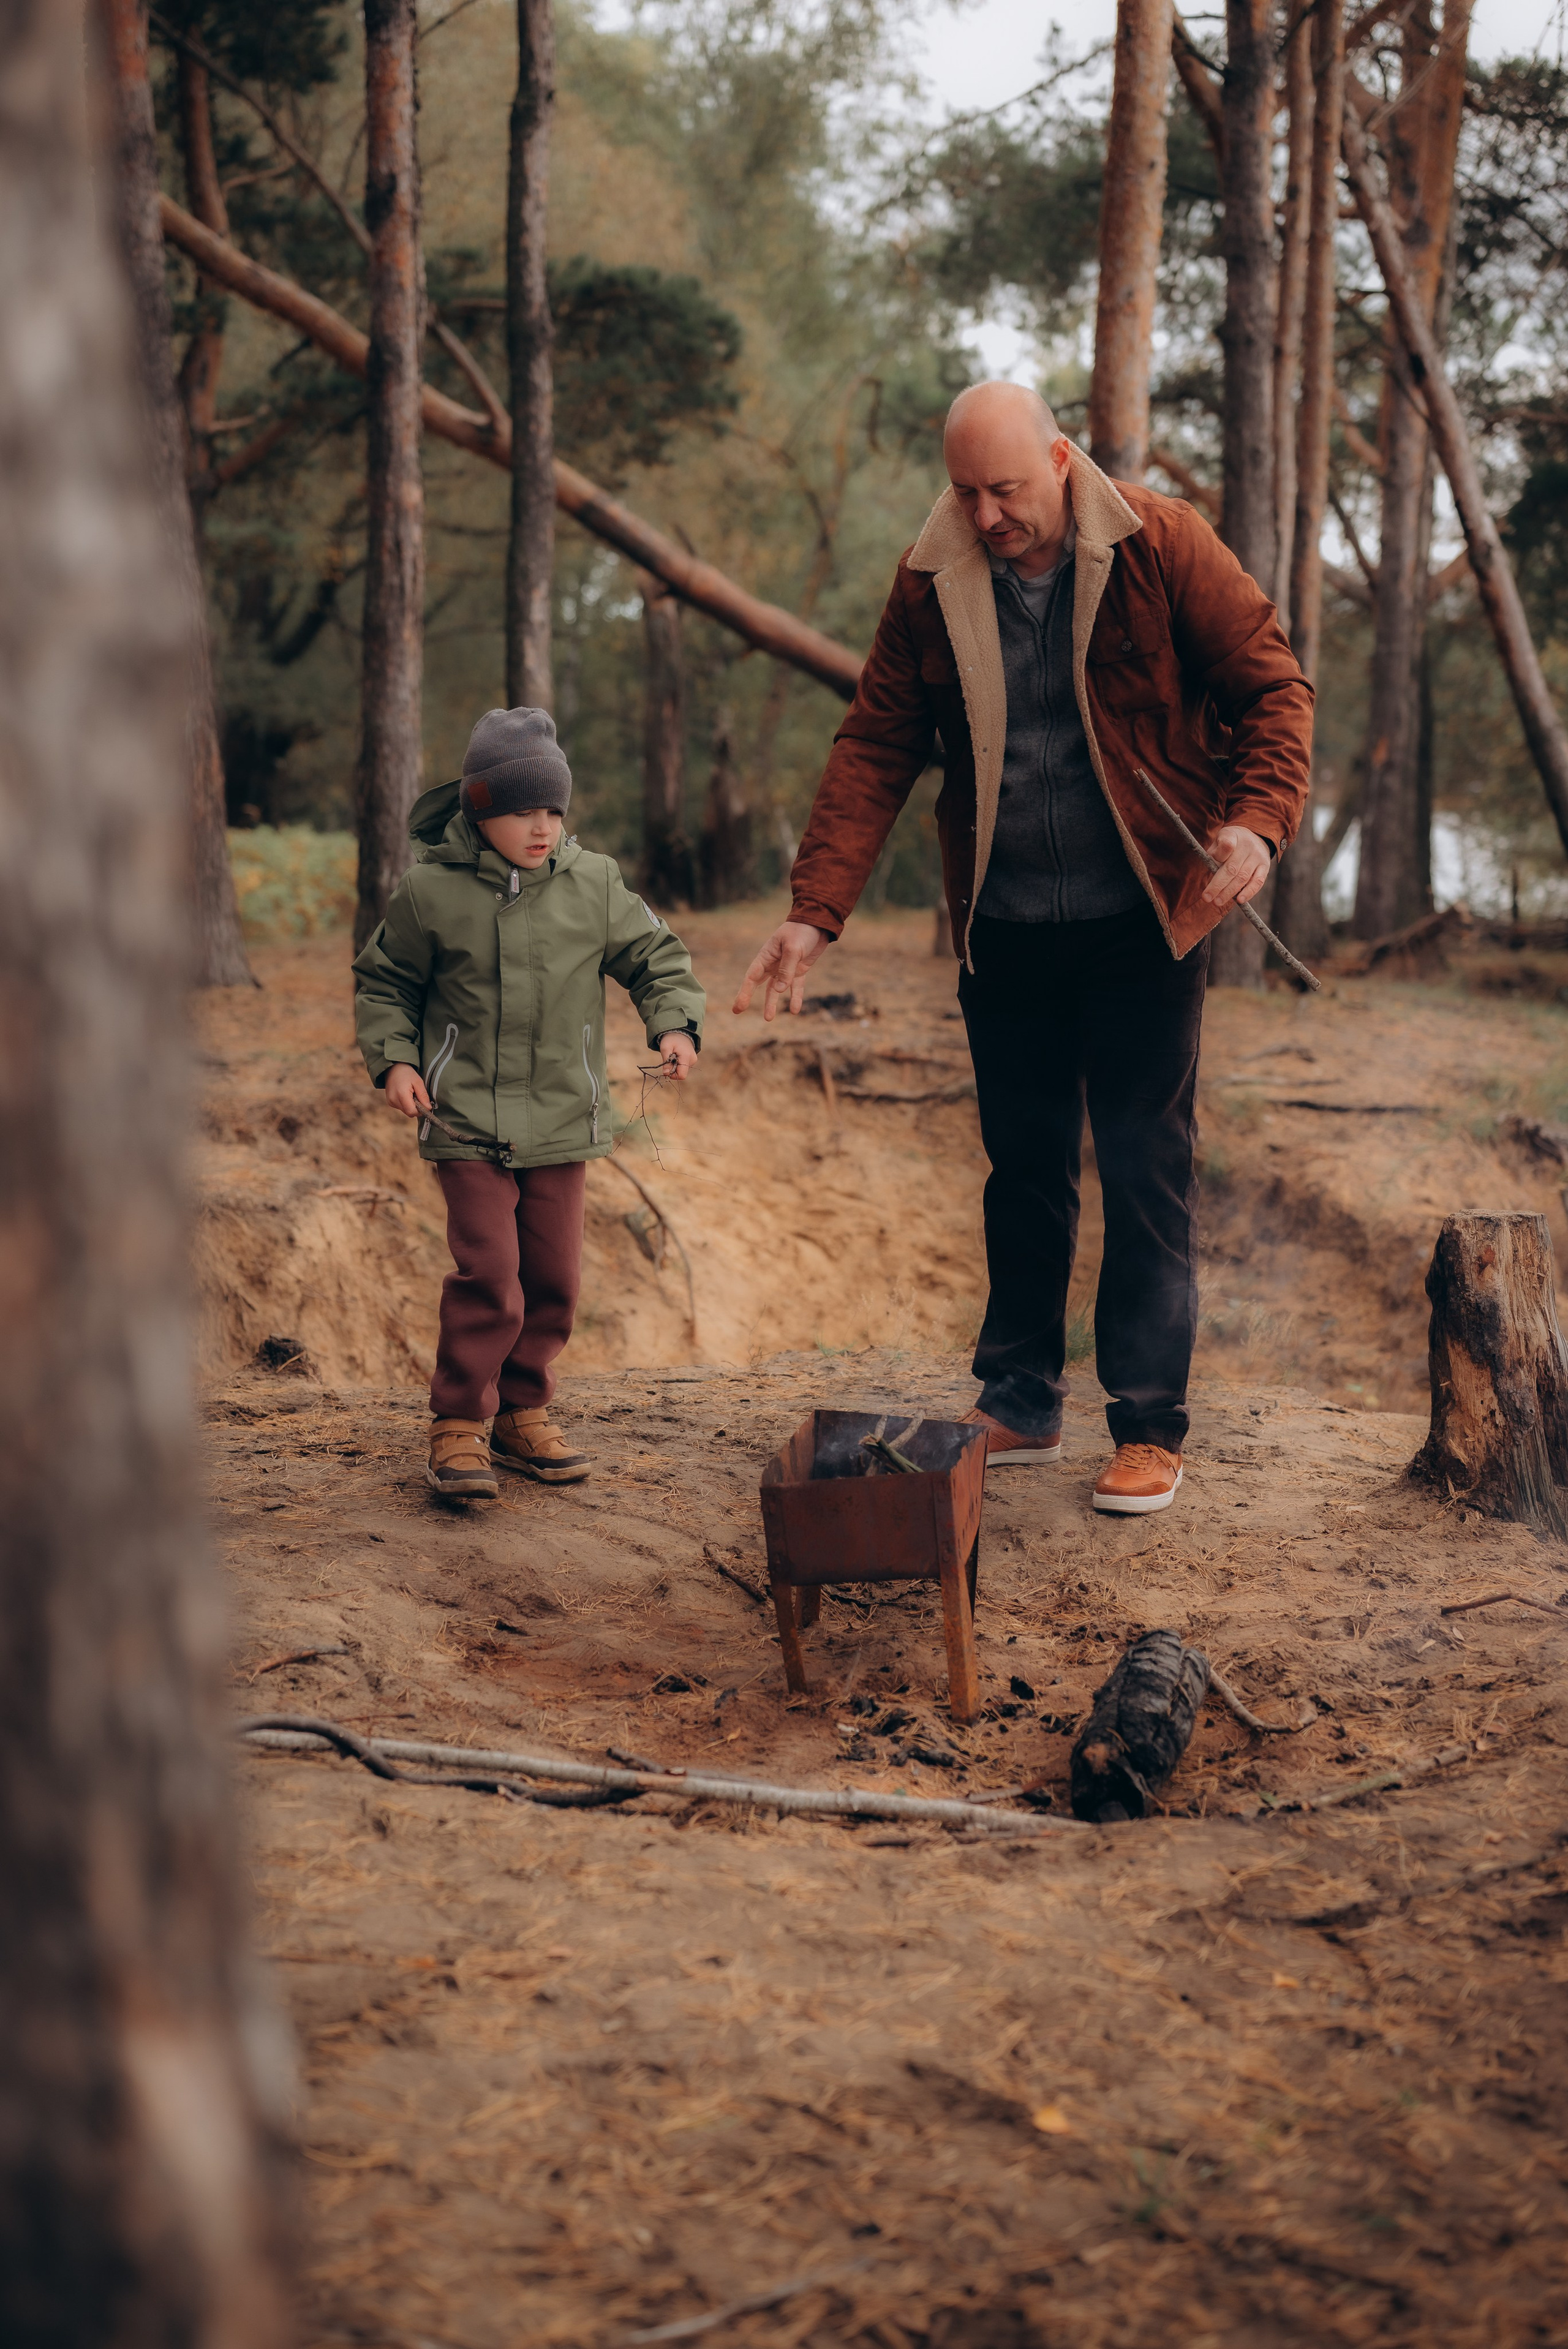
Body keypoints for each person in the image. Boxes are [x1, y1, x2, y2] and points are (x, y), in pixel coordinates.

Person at [734, 383, 1312, 1515]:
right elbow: (874, 746)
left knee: (1147, 1168)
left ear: (1059, 459)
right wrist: (816, 911)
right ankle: (1022, 1399)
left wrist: (1255, 821)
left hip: (1146, 917)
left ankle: (1147, 1429)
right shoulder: (930, 582)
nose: (988, 515)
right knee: (1025, 1167)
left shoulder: (1163, 544)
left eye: (1005, 489)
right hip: (1005, 926)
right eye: (966, 492)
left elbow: (1274, 690)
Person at [355, 707, 705, 1501]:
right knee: (492, 1272)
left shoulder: (595, 885)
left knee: (553, 1280)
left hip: (561, 1117)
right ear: (480, 809)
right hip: (464, 1116)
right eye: (522, 811)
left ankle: (521, 1411)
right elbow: (386, 984)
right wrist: (396, 1062)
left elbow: (657, 957)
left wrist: (675, 1024)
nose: (542, 827)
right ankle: (459, 1423)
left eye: (553, 810)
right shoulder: (428, 894)